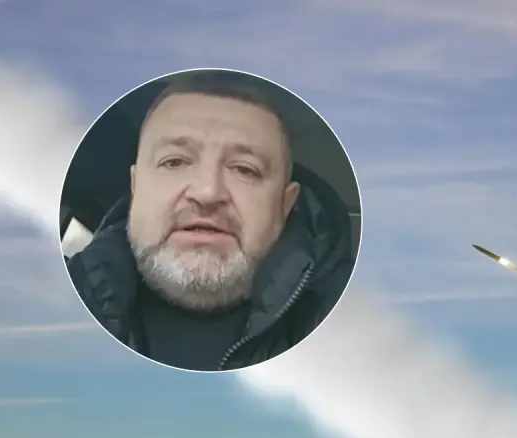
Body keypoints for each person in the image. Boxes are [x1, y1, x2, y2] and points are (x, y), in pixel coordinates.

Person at [65, 70, 356, 371]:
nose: (208, 193)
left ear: (285, 205)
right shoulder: (65, 300)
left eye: (245, 169)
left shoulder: (353, 335)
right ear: (135, 186)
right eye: (174, 161)